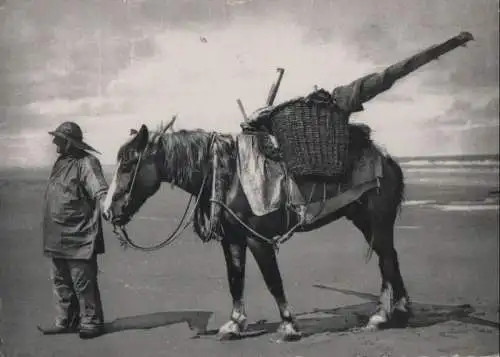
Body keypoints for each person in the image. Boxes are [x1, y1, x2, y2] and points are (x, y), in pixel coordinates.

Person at [37, 122, 109, 339]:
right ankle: (67, 320)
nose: (54, 142)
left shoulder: (87, 162)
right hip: (57, 235)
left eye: (59, 138)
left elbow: (100, 190)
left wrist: (108, 207)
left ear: (69, 142)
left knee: (82, 281)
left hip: (79, 234)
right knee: (61, 281)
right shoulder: (61, 162)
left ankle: (92, 322)